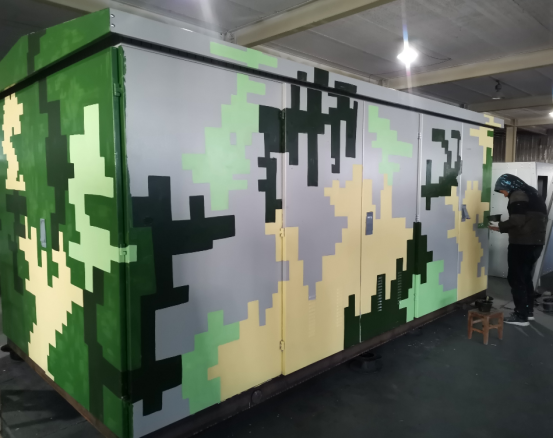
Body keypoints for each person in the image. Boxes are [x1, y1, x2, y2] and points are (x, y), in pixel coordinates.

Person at [489, 173, 548, 326]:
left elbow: (517, 220)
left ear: (509, 186)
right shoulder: (533, 193)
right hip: (536, 243)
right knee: (525, 277)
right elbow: (528, 220)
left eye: (503, 191)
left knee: (516, 278)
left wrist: (499, 226)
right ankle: (528, 312)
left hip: (522, 244)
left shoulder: (518, 194)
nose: (504, 195)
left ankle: (521, 316)